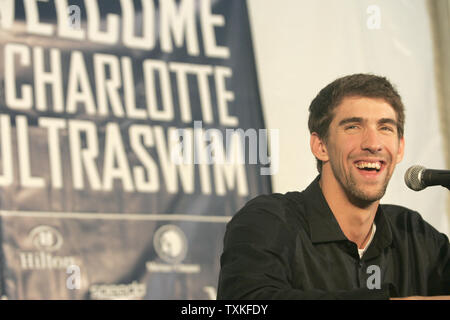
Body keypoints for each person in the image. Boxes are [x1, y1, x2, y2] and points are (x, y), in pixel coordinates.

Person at [217, 74, 450, 299]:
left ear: (400, 148)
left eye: (385, 128)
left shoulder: (415, 234)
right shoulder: (269, 220)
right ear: (321, 146)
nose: (373, 144)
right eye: (353, 127)